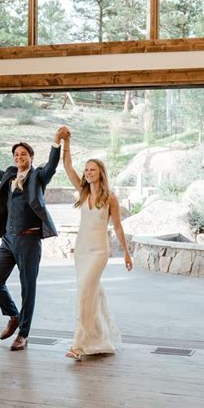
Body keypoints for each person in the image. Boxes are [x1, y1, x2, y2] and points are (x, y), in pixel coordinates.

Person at [0, 128, 67, 351]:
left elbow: (52, 166)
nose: (19, 158)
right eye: (16, 155)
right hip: (8, 240)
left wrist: (56, 142)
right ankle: (13, 315)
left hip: (29, 241)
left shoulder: (38, 176)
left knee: (28, 289)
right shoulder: (9, 173)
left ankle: (23, 335)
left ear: (30, 157)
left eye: (23, 155)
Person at [62, 130, 133, 360]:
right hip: (81, 250)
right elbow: (67, 166)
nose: (88, 173)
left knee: (84, 292)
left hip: (99, 252)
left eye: (93, 169)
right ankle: (98, 340)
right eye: (87, 169)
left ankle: (78, 345)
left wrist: (126, 253)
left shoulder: (110, 197)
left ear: (101, 173)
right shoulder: (83, 192)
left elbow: (119, 227)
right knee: (89, 295)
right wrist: (67, 142)